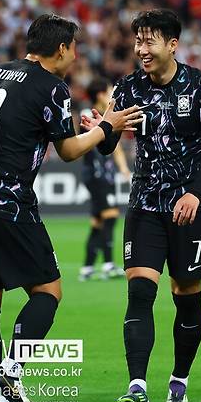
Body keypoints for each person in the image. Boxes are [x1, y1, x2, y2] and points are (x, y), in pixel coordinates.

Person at [0, 14, 143, 402]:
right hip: (8, 202)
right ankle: (11, 371)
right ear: (61, 49)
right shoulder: (51, 87)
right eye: (74, 48)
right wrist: (107, 127)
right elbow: (68, 150)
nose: (76, 56)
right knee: (48, 291)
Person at [83, 9, 201, 402]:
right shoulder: (128, 88)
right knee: (140, 290)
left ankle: (179, 378)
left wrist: (196, 193)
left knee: (186, 294)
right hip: (144, 204)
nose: (141, 49)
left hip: (187, 208)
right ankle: (137, 386)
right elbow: (109, 145)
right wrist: (98, 127)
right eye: (138, 41)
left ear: (171, 45)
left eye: (149, 41)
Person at [78, 78, 132, 282]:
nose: (112, 95)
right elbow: (94, 140)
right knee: (110, 216)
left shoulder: (109, 118)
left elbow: (114, 146)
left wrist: (123, 168)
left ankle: (87, 267)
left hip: (104, 175)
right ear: (101, 95)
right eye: (109, 91)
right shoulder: (87, 115)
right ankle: (109, 265)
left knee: (98, 222)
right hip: (96, 175)